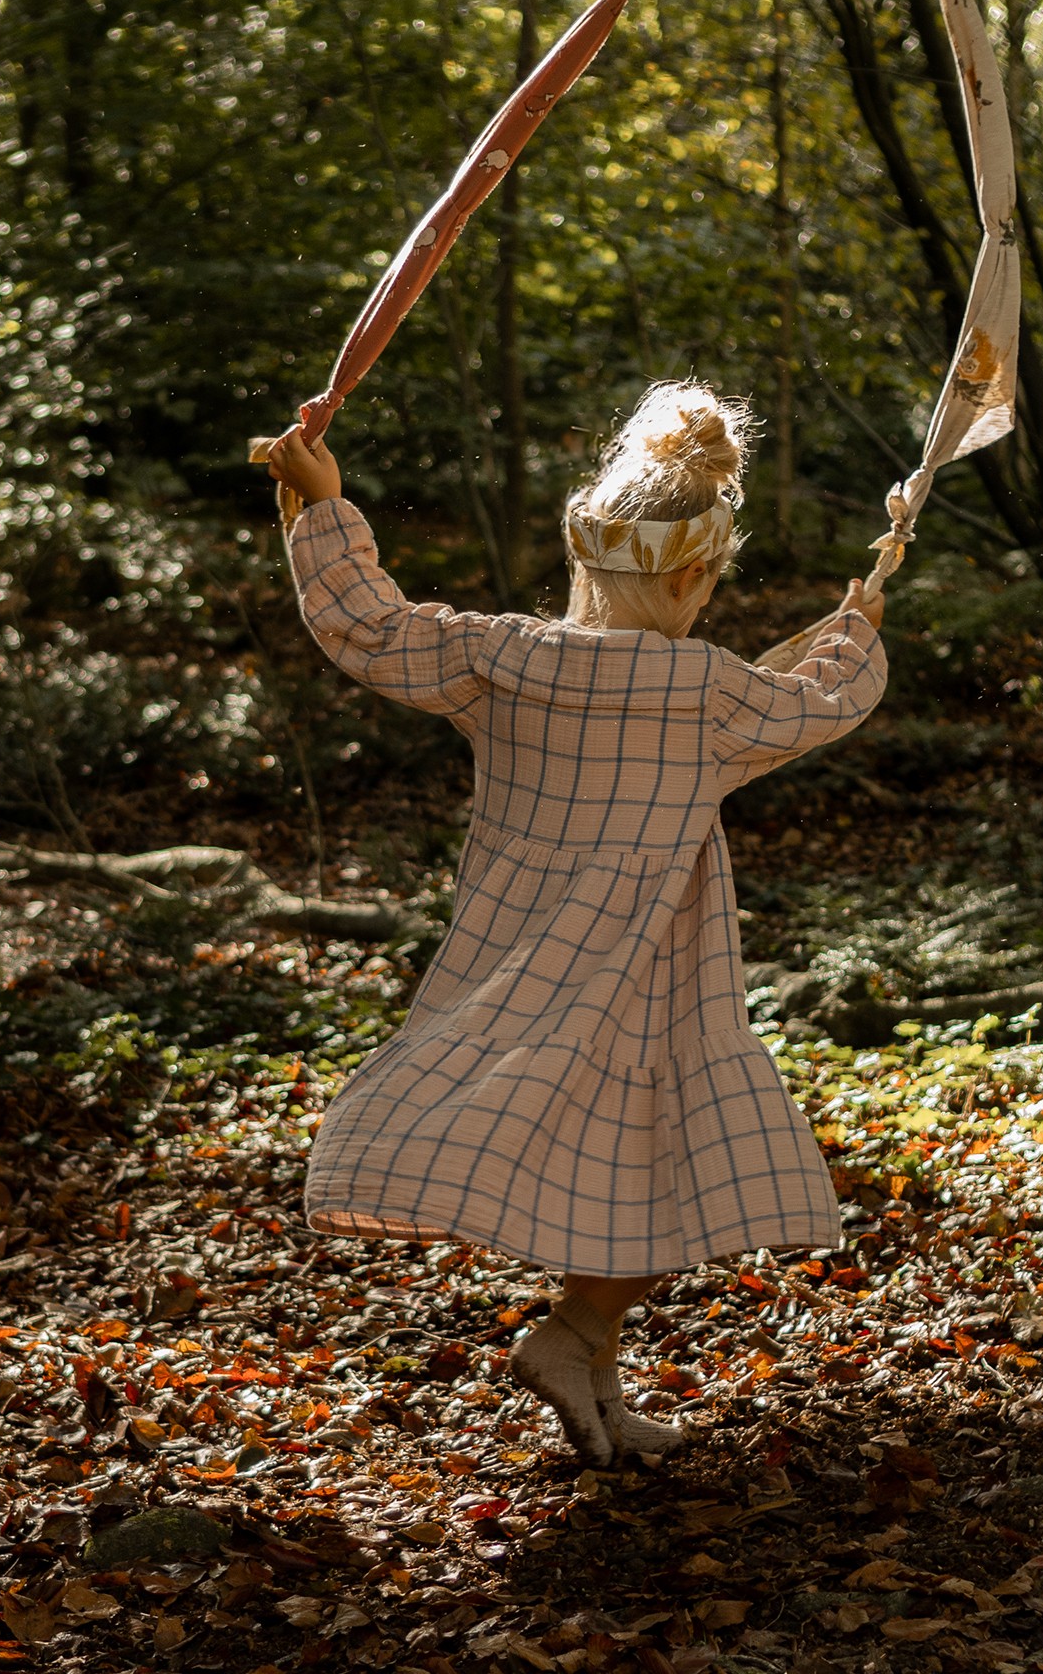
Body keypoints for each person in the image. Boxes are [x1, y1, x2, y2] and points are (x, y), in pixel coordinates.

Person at [266, 381, 886, 1466]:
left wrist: (314, 505)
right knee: (675, 1162)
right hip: (646, 970)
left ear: (584, 558)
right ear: (699, 577)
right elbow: (822, 704)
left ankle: (595, 1380)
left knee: (632, 1167)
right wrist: (856, 628)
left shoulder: (509, 661)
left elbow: (366, 625)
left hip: (520, 963)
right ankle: (576, 1333)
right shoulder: (712, 692)